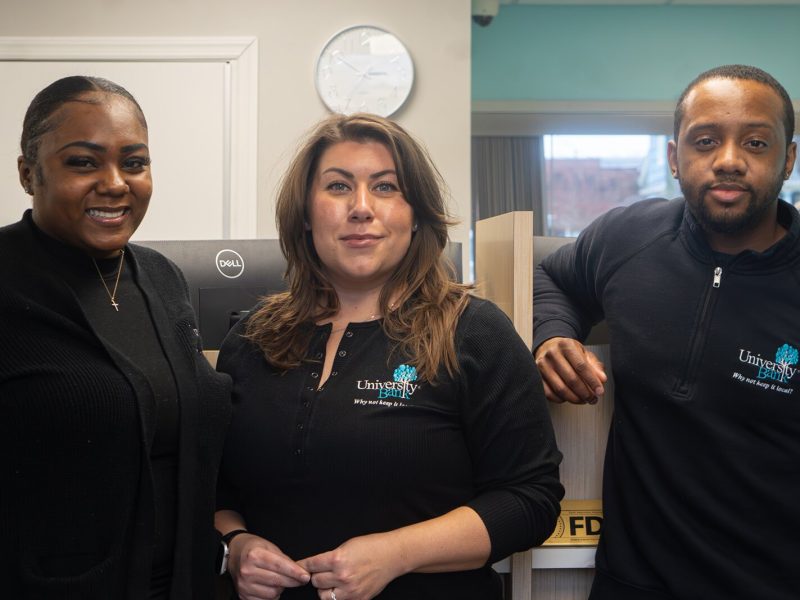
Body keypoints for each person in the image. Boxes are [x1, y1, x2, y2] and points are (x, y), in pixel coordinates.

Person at [214, 113, 564, 600]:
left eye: (385, 187)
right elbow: (214, 487)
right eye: (338, 187)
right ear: (305, 212)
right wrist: (236, 544)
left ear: (416, 213)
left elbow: (531, 501)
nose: (361, 208)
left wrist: (396, 554)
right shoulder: (250, 339)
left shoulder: (475, 333)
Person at [533, 64, 800, 599]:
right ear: (676, 159)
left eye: (755, 141)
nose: (728, 160)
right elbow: (552, 276)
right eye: (705, 141)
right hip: (631, 582)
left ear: (788, 158)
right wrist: (552, 336)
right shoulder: (627, 235)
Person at [0, 75, 231, 599]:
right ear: (28, 173)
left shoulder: (162, 278)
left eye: (134, 162)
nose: (115, 183)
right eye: (83, 162)